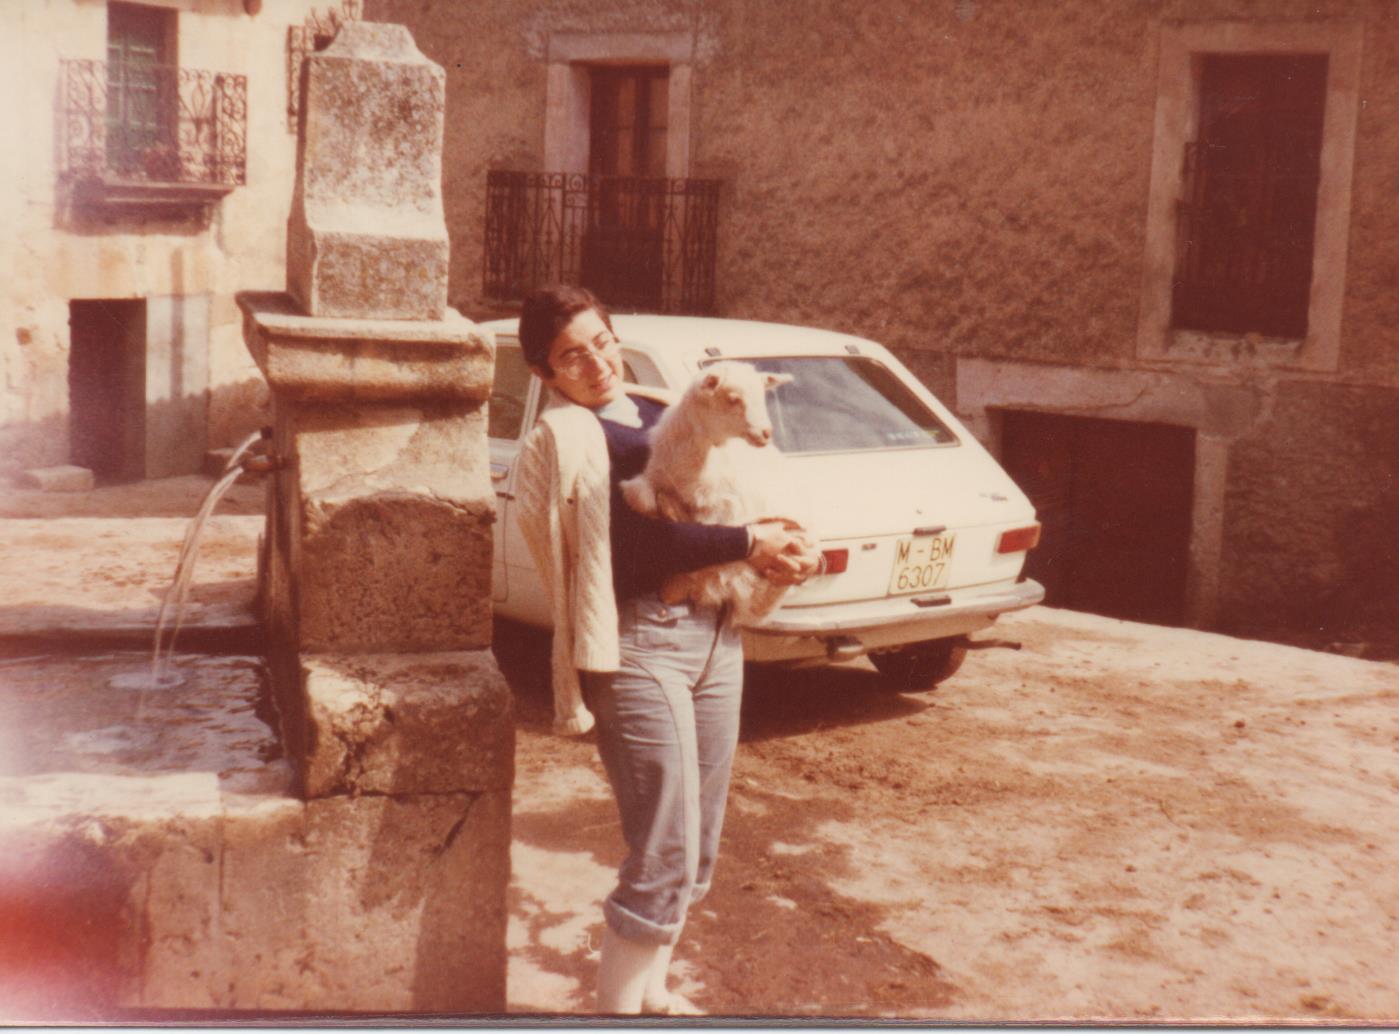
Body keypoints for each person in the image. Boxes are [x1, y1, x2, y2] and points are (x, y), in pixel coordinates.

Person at [512, 285, 818, 1014]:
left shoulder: (662, 412)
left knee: (698, 842)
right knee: (663, 844)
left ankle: (648, 996)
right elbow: (628, 548)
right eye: (571, 356)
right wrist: (749, 543)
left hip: (716, 635)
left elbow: (741, 490)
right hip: (642, 644)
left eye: (601, 342)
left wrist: (787, 548)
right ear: (544, 373)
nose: (595, 363)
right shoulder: (566, 438)